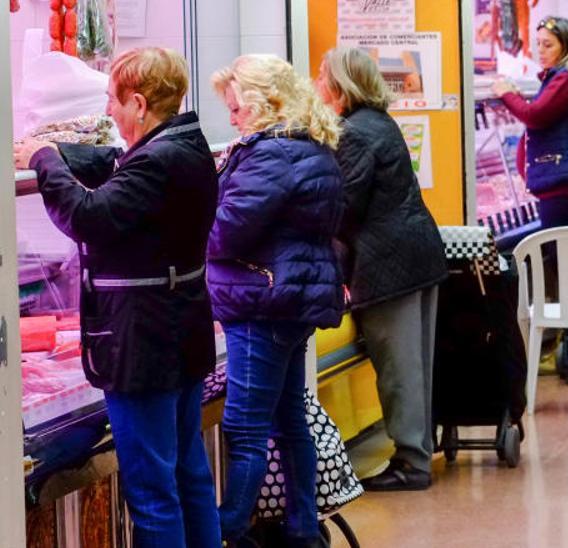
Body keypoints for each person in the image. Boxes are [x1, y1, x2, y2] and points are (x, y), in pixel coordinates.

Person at [14, 47, 220, 548]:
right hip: (179, 335)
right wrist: (61, 153)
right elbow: (116, 162)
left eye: (113, 100)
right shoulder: (185, 143)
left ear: (140, 103)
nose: (108, 110)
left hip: (143, 344)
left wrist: (42, 159)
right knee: (189, 474)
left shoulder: (159, 161)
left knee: (152, 492)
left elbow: (87, 218)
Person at [209, 54, 345, 548]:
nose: (232, 119)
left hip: (262, 302)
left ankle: (228, 533)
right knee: (290, 421)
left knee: (244, 429)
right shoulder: (306, 144)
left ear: (265, 104)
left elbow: (225, 232)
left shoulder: (270, 155)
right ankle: (303, 529)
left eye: (237, 109)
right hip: (289, 298)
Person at [315, 47, 449, 492]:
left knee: (399, 369)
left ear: (339, 85)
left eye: (321, 75)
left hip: (390, 262)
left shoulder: (353, 132)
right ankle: (418, 449)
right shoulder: (380, 122)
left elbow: (344, 206)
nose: (317, 82)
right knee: (416, 365)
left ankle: (412, 463)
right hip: (416, 253)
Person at [492, 16, 568, 228]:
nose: (541, 50)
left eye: (548, 44)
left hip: (564, 184)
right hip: (566, 181)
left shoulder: (567, 77)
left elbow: (535, 115)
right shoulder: (566, 76)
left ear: (566, 46)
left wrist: (507, 95)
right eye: (538, 43)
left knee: (561, 254)